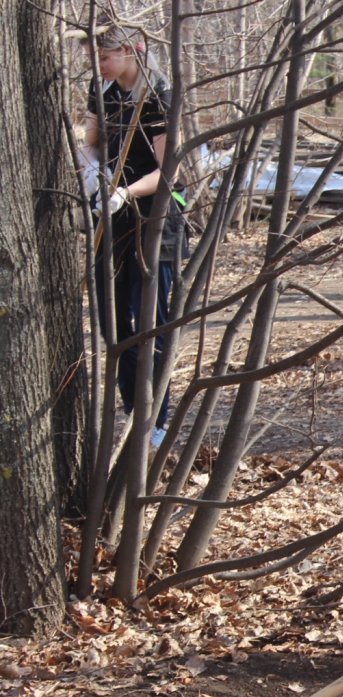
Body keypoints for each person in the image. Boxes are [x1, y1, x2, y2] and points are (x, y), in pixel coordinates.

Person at [83, 16, 185, 448]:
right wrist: (93, 172)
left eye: (104, 55)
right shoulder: (102, 90)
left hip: (154, 220)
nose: (98, 63)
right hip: (113, 218)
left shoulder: (158, 94)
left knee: (150, 319)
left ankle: (155, 422)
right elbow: (90, 139)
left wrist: (125, 192)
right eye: (93, 56)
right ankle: (131, 411)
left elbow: (171, 173)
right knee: (112, 317)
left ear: (130, 51)